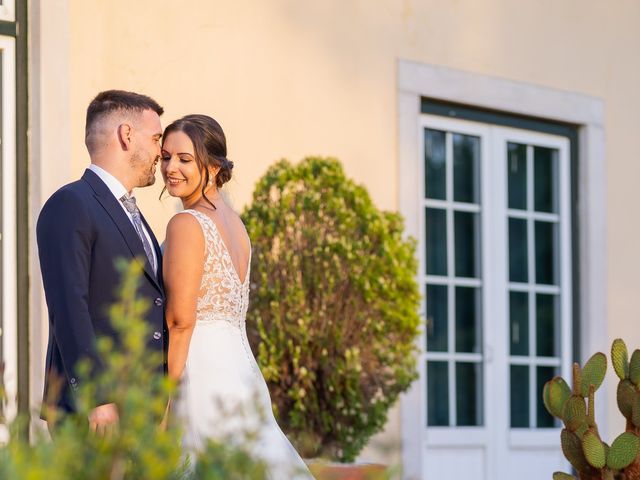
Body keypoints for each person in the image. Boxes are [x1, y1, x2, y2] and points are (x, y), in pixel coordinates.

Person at [161, 114, 314, 478]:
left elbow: (180, 322)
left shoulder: (186, 224)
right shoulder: (236, 224)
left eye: (185, 159)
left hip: (200, 372)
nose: (170, 168)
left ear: (213, 166)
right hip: (239, 371)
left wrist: (163, 405)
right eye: (166, 156)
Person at [37, 90, 167, 435]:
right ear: (126, 135)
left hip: (138, 407)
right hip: (94, 413)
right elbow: (68, 307)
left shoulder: (133, 213)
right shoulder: (71, 204)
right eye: (155, 138)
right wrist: (96, 396)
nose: (160, 152)